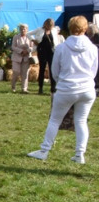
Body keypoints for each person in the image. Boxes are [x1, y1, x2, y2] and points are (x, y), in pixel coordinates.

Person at [27, 15, 98, 164]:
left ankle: (44, 150)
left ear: (70, 28)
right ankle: (80, 154)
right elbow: (93, 70)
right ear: (85, 28)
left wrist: (61, 83)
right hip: (87, 89)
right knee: (81, 121)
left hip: (66, 88)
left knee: (54, 120)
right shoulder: (92, 48)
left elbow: (55, 71)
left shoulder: (62, 47)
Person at [36, 18, 63, 95]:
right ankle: (40, 87)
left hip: (51, 52)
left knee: (52, 70)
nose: (49, 27)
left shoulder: (54, 30)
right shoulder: (40, 30)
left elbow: (56, 41)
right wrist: (33, 40)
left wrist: (57, 49)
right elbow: (29, 34)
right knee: (42, 69)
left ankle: (53, 88)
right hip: (42, 52)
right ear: (45, 24)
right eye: (49, 25)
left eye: (51, 25)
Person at [10, 24, 35, 93]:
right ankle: (13, 87)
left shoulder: (30, 37)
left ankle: (24, 88)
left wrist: (27, 51)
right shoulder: (16, 37)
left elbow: (33, 47)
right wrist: (21, 51)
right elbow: (13, 47)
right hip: (16, 57)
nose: (22, 30)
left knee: (25, 74)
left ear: (27, 30)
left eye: (24, 29)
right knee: (16, 72)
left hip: (26, 58)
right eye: (21, 29)